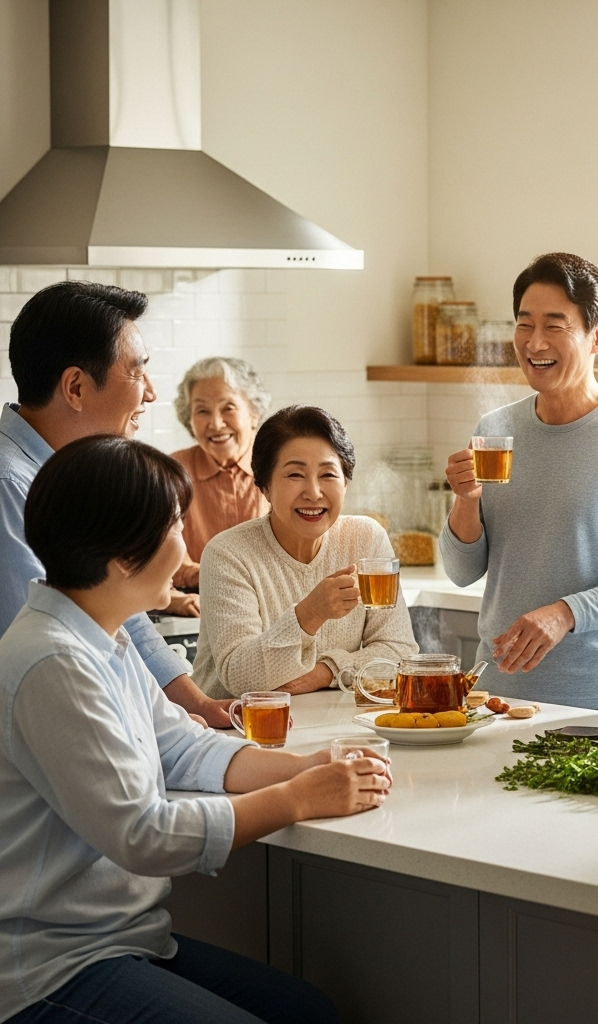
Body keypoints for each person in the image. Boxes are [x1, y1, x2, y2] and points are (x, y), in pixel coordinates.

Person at [0, 435, 390, 1024]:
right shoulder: (54, 661)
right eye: (176, 529)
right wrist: (295, 798)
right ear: (121, 556)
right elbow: (142, 834)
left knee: (310, 1011)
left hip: (125, 941)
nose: (189, 548)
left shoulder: (102, 636)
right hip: (53, 967)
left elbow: (181, 747)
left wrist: (310, 766)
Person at [438, 253, 598, 713]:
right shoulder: (495, 428)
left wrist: (564, 614)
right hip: (496, 695)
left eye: (554, 325)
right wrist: (466, 500)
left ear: (597, 335)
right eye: (524, 324)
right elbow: (463, 572)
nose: (535, 342)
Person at [0, 280, 229, 726]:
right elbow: (45, 651)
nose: (150, 392)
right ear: (76, 388)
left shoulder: (73, 475)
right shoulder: (10, 485)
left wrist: (195, 705)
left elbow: (116, 611)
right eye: (137, 371)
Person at [193, 405, 417, 699]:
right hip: (236, 732)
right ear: (265, 487)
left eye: (328, 475)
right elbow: (240, 677)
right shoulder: (229, 554)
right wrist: (310, 614)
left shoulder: (366, 538)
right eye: (295, 475)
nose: (313, 492)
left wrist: (325, 672)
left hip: (330, 727)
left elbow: (399, 653)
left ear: (345, 483)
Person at [171, 357, 272, 596]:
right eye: (202, 411)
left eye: (228, 408)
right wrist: (208, 576)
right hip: (197, 605)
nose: (216, 424)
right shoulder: (173, 472)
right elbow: (160, 555)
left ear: (254, 414)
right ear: (190, 420)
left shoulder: (278, 466)